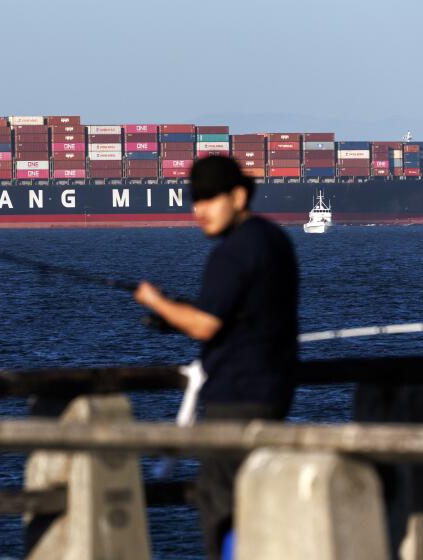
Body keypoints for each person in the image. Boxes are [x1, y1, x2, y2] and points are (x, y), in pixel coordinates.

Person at [133, 155, 299, 560]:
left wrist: (156, 302)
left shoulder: (232, 253)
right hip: (275, 388)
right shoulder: (274, 240)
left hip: (236, 396)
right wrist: (179, 314)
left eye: (209, 199)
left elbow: (205, 326)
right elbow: (243, 312)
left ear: (238, 196)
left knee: (223, 506)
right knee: (258, 499)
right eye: (195, 200)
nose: (198, 211)